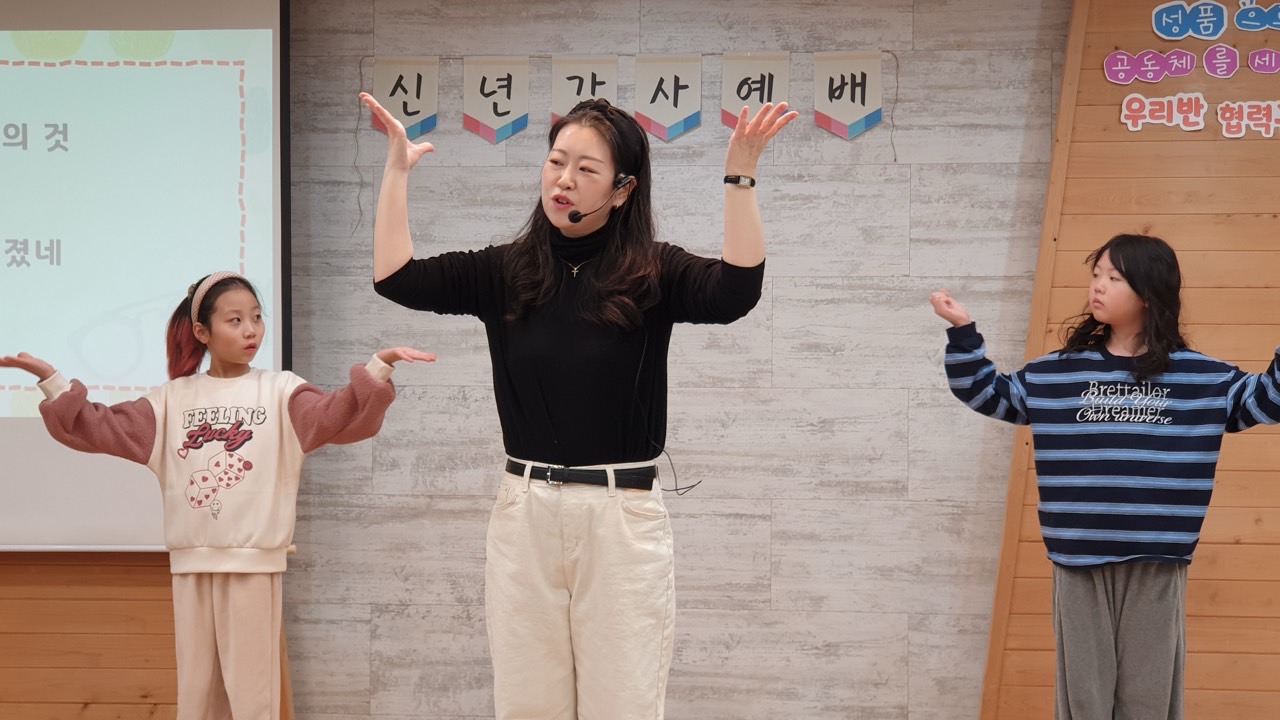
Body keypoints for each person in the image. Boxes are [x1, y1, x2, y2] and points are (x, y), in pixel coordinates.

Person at [360, 90, 796, 719]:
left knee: (622, 703)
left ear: (622, 190)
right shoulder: (505, 271)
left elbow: (735, 292)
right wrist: (396, 172)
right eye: (556, 161)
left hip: (619, 518)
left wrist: (740, 178)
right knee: (526, 704)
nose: (563, 180)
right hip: (524, 513)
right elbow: (395, 277)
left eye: (586, 169)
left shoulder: (654, 271)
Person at [1, 271, 434, 719]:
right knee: (197, 698)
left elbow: (337, 413)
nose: (251, 330)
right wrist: (52, 381)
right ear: (202, 331)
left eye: (257, 318)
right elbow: (96, 426)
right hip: (191, 567)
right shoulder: (170, 400)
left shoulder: (281, 390)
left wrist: (378, 367)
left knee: (252, 699)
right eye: (235, 320)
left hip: (253, 566)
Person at [930, 234, 1280, 720]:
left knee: (1149, 697)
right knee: (1084, 698)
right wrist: (963, 331)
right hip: (1078, 559)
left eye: (1114, 278)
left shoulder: (1203, 378)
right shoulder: (1056, 374)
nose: (1098, 286)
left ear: (1149, 293)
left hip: (1157, 561)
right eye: (1096, 275)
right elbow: (986, 392)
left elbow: (1268, 399)